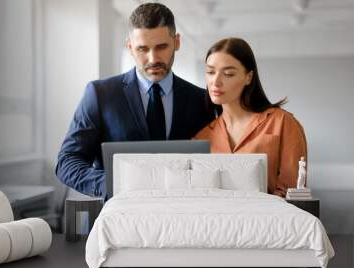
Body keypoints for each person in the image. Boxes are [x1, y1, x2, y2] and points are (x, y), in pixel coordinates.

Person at [56, 3, 213, 199]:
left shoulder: (201, 100)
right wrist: (113, 185)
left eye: (161, 47)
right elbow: (67, 161)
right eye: (142, 49)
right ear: (130, 47)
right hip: (122, 216)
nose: (153, 58)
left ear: (176, 42)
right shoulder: (100, 94)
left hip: (185, 213)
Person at [195, 37, 307, 197]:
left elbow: (293, 191)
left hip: (272, 219)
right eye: (210, 72)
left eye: (228, 74)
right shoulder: (202, 138)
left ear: (248, 77)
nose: (216, 81)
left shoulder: (282, 122)